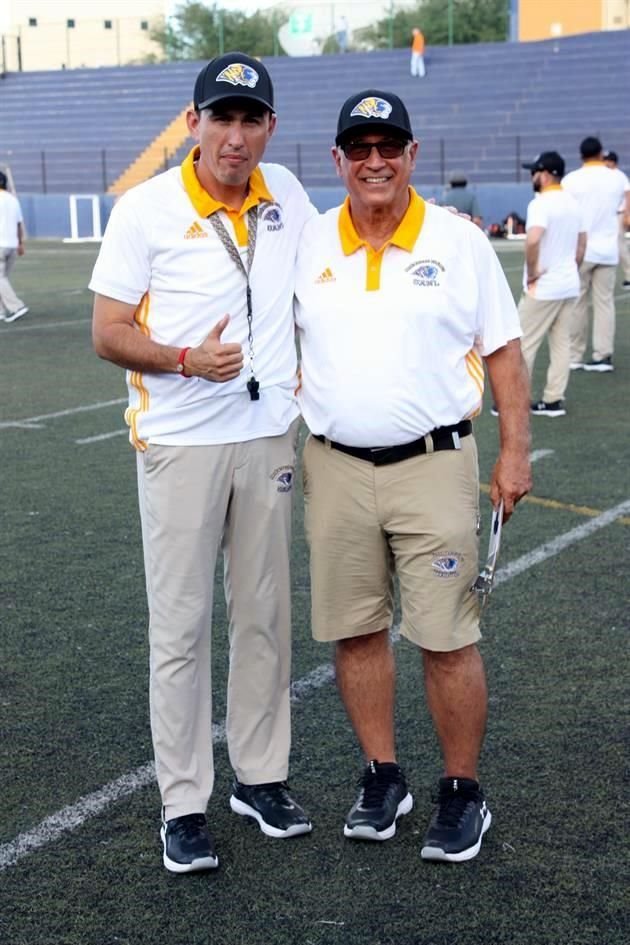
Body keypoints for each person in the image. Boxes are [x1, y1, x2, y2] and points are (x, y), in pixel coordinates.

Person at [89, 52, 316, 875]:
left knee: (264, 618)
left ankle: (260, 778)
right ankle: (182, 801)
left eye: (251, 119)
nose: (236, 134)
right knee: (180, 629)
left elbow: (326, 270)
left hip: (265, 438)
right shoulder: (145, 210)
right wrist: (186, 359)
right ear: (194, 124)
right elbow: (108, 330)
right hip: (181, 442)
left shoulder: (287, 195)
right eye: (221, 117)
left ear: (269, 129)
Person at [294, 89, 532, 862]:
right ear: (337, 160)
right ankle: (381, 774)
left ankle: (462, 790)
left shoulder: (459, 243)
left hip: (432, 463)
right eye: (358, 148)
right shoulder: (309, 242)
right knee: (357, 630)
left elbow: (503, 350)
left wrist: (515, 451)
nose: (374, 161)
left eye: (387, 146)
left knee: (445, 636)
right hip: (333, 466)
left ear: (412, 155)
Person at [517, 151, 586, 417]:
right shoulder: (573, 201)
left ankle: (513, 402)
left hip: (544, 287)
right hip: (568, 283)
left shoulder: (541, 203)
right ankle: (554, 400)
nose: (532, 177)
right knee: (561, 344)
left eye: (534, 172)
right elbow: (582, 245)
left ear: (544, 174)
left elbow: (533, 240)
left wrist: (533, 272)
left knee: (522, 345)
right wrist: (571, 269)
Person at [562, 136, 630, 372]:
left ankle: (575, 354)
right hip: (608, 249)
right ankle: (603, 355)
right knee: (605, 303)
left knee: (577, 303)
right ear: (601, 153)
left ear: (581, 155)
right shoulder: (617, 177)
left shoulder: (571, 180)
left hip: (581, 249)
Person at [0, 170, 28, 323]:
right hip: (11, 245)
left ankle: (16, 307)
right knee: (2, 278)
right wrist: (20, 243)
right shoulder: (13, 200)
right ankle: (1, 311)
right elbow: (19, 224)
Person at [603, 150, 630, 290]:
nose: (604, 162)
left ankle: (629, 276)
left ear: (612, 162)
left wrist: (626, 214)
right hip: (606, 215)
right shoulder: (604, 176)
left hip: (618, 214)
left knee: (620, 246)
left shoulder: (619, 176)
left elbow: (628, 195)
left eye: (606, 160)